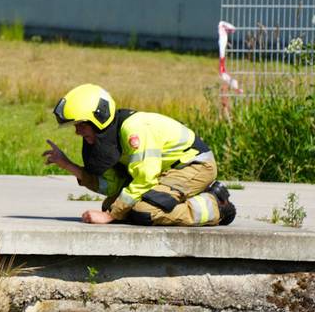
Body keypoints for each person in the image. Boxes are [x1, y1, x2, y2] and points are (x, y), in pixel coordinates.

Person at [43, 83, 235, 227]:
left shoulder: (133, 130)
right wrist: (67, 164)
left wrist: (111, 216)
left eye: (81, 125)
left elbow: (144, 180)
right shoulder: (108, 139)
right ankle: (185, 196)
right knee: (111, 205)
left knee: (145, 211)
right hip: (165, 173)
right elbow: (112, 187)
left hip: (194, 165)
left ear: (98, 118)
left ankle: (216, 205)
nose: (78, 132)